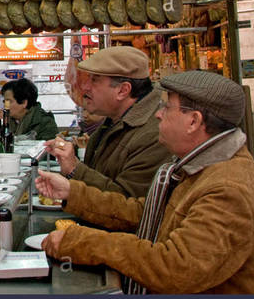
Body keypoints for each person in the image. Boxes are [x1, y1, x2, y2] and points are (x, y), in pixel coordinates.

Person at [36, 71, 254, 294]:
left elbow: (177, 267)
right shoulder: (199, 165)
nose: (158, 113)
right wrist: (72, 192)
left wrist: (82, 242)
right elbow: (147, 214)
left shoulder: (228, 189)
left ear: (193, 121)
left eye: (166, 106)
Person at [44, 47, 171, 197]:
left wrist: (75, 169)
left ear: (123, 90)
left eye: (95, 80)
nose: (85, 87)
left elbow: (127, 205)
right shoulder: (113, 121)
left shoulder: (155, 135)